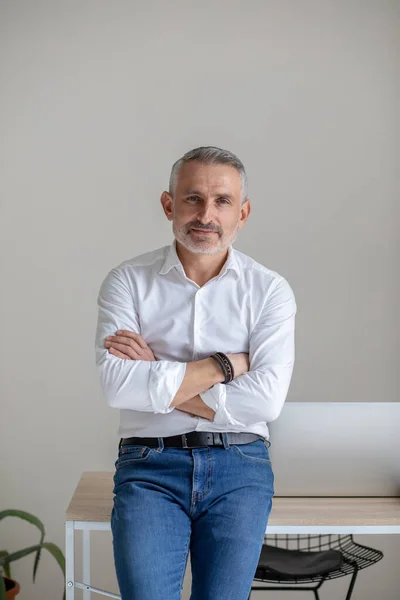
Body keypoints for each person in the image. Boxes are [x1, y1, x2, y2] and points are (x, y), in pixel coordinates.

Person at [95, 146, 297, 600]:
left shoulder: (270, 291)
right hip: (149, 466)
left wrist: (154, 375)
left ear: (242, 213)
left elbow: (265, 403)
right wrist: (224, 365)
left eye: (222, 201)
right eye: (193, 199)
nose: (207, 215)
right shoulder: (127, 281)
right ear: (169, 205)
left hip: (240, 467)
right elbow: (116, 385)